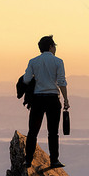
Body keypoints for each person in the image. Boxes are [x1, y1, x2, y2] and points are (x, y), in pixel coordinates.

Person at [22, 35, 69, 168]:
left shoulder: (33, 61)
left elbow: (26, 79)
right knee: (53, 132)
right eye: (54, 46)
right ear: (51, 46)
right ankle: (54, 160)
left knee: (33, 131)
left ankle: (28, 160)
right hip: (53, 99)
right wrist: (65, 99)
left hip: (37, 99)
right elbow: (61, 81)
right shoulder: (58, 62)